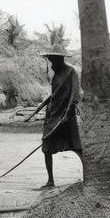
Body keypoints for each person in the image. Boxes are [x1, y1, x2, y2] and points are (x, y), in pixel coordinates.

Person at [37, 46, 82, 188]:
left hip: (66, 116)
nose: (51, 65)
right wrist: (43, 104)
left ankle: (88, 176)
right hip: (52, 114)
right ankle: (50, 180)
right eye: (50, 61)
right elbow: (55, 93)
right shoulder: (56, 74)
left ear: (59, 59)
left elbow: (74, 94)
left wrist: (67, 114)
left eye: (53, 61)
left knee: (77, 147)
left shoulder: (71, 72)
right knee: (46, 147)